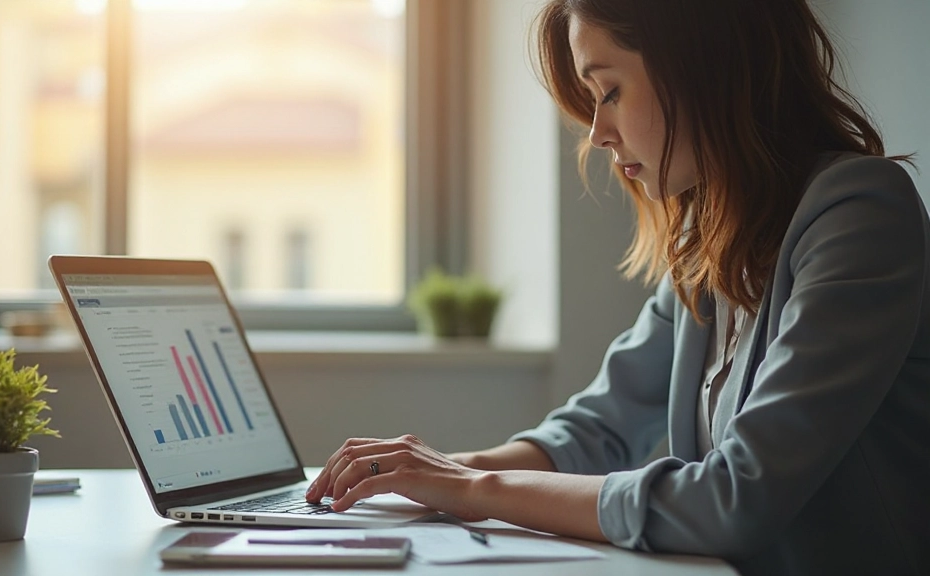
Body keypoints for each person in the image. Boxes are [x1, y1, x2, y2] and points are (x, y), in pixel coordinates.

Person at [305, 1, 930, 574]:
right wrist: (439, 470)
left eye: (608, 91)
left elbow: (735, 498)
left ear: (703, 66)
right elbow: (597, 429)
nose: (598, 131)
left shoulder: (860, 214)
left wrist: (471, 491)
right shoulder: (707, 246)